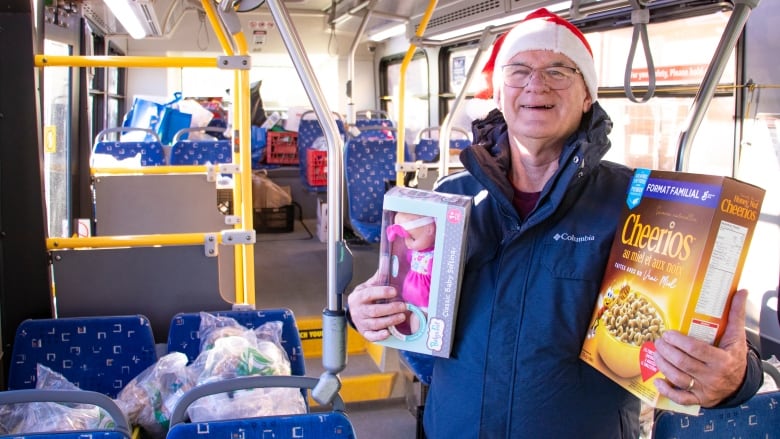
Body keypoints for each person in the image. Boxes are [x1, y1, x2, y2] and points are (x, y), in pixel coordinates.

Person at [347, 7, 764, 438]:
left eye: (559, 71)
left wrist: (735, 376)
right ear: (499, 92)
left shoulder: (642, 206)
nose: (535, 84)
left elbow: (712, 340)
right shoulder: (450, 198)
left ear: (588, 97)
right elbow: (408, 307)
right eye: (519, 70)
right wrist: (369, 312)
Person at [386, 212, 437, 336]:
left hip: (424, 300)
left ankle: (419, 346)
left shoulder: (433, 257)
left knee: (418, 323)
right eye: (405, 239)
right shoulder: (414, 252)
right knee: (403, 318)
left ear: (430, 229)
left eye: (412, 238)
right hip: (408, 295)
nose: (407, 243)